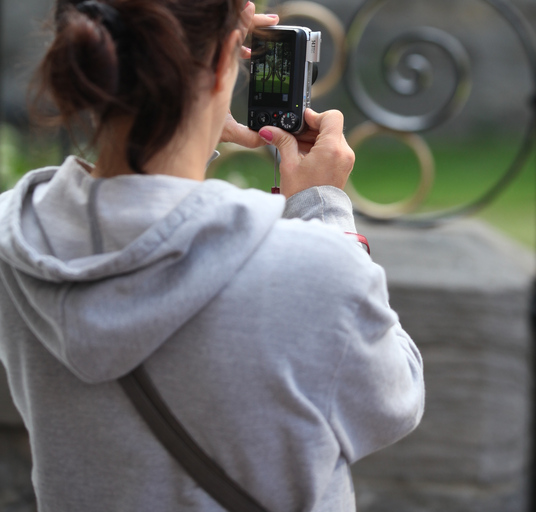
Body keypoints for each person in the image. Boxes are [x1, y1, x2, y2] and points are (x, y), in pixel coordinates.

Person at [0, 1, 425, 511]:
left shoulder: (16, 237)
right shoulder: (313, 268)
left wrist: (187, 126)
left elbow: (128, 216)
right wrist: (324, 210)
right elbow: (394, 400)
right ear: (227, 56)